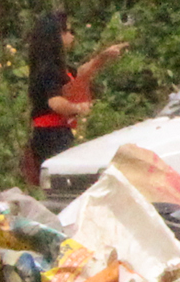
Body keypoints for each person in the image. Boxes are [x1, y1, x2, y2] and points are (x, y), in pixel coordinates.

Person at [25, 10, 127, 188]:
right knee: (65, 183)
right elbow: (55, 102)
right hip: (51, 136)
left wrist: (103, 57)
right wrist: (79, 108)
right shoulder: (48, 69)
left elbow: (79, 75)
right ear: (57, 36)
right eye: (68, 31)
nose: (72, 36)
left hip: (56, 133)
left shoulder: (56, 66)